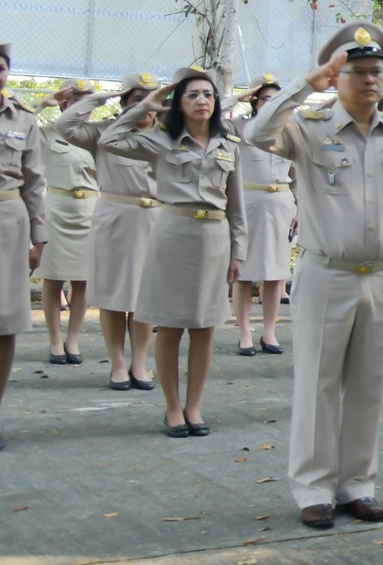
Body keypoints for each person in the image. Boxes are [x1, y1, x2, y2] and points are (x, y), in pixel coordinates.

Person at [245, 22, 383, 526]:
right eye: (358, 72)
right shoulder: (309, 128)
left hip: (382, 276)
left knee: (368, 385)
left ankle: (357, 485)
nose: (370, 81)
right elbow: (255, 133)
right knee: (318, 385)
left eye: (377, 72)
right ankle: (313, 489)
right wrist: (307, 85)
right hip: (328, 273)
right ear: (337, 76)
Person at [100, 66, 245, 437]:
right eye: (193, 95)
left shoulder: (229, 145)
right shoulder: (161, 140)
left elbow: (235, 207)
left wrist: (238, 252)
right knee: (170, 326)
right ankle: (172, 408)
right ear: (177, 104)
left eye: (209, 95)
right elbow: (109, 141)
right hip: (172, 234)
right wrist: (144, 106)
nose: (203, 101)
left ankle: (194, 406)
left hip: (214, 238)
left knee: (205, 327)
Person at [54, 72, 162, 391]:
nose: (145, 106)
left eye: (151, 98)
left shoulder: (169, 135)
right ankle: (117, 363)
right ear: (125, 102)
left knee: (146, 298)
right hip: (114, 218)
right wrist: (99, 98)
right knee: (114, 297)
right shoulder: (102, 133)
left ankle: (139, 362)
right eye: (136, 99)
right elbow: (64, 126)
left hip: (155, 220)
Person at [0, 36, 47, 452]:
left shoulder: (24, 120)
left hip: (7, 222)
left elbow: (34, 183)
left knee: (3, 321)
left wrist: (38, 237)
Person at [35, 79, 96, 365]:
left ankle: (73, 338)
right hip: (58, 209)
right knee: (54, 277)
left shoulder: (100, 134)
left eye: (88, 101)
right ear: (64, 104)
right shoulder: (47, 133)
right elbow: (16, 128)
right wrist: (43, 102)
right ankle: (55, 339)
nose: (82, 107)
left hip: (90, 209)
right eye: (76, 101)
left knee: (83, 279)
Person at [233, 74, 294, 356]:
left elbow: (300, 176)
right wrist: (238, 98)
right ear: (255, 102)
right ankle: (244, 332)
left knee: (275, 273)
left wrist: (301, 209)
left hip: (280, 204)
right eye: (265, 99)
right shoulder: (239, 127)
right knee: (243, 273)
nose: (271, 105)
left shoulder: (290, 132)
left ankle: (269, 332)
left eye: (276, 100)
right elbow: (213, 117)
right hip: (249, 204)